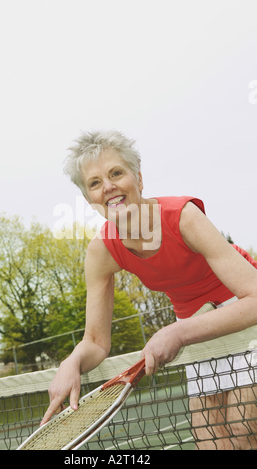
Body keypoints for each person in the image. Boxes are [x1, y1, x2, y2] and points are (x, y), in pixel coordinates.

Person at [42, 130, 257, 449]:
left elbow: (254, 299)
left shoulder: (182, 217)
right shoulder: (101, 251)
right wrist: (71, 363)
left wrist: (178, 333)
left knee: (242, 433)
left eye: (116, 173)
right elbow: (97, 342)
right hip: (197, 333)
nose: (109, 187)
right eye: (95, 183)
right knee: (213, 443)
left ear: (138, 178)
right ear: (90, 200)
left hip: (244, 321)